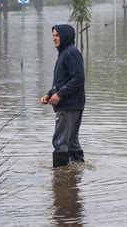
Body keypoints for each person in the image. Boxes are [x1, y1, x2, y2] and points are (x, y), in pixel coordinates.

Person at [40, 24, 85, 168]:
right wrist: (50, 94)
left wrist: (60, 94)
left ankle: (60, 178)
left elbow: (78, 77)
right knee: (71, 141)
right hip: (71, 104)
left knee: (60, 141)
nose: (54, 38)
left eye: (57, 35)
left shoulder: (70, 53)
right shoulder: (65, 53)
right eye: (53, 35)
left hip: (68, 105)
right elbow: (63, 80)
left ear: (65, 37)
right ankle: (76, 173)